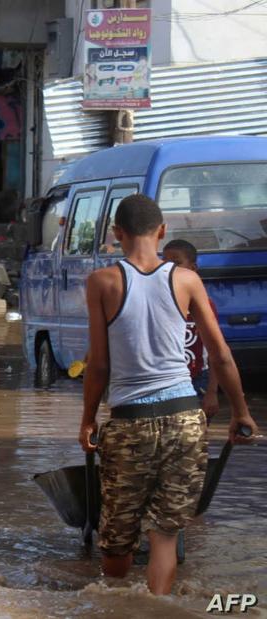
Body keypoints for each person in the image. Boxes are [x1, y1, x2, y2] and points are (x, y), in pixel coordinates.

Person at [78, 194, 257, 595]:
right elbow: (221, 355)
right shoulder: (187, 279)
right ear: (162, 232)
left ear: (116, 234)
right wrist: (241, 412)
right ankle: (157, 607)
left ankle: (117, 605)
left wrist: (88, 419)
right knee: (165, 532)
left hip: (128, 424)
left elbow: (99, 367)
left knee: (118, 532)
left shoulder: (102, 282)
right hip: (184, 420)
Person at [162, 239, 220, 418]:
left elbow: (216, 352)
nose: (169, 268)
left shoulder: (203, 305)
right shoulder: (158, 301)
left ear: (193, 269)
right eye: (164, 262)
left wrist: (211, 392)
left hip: (197, 380)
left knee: (196, 435)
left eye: (177, 263)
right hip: (165, 382)